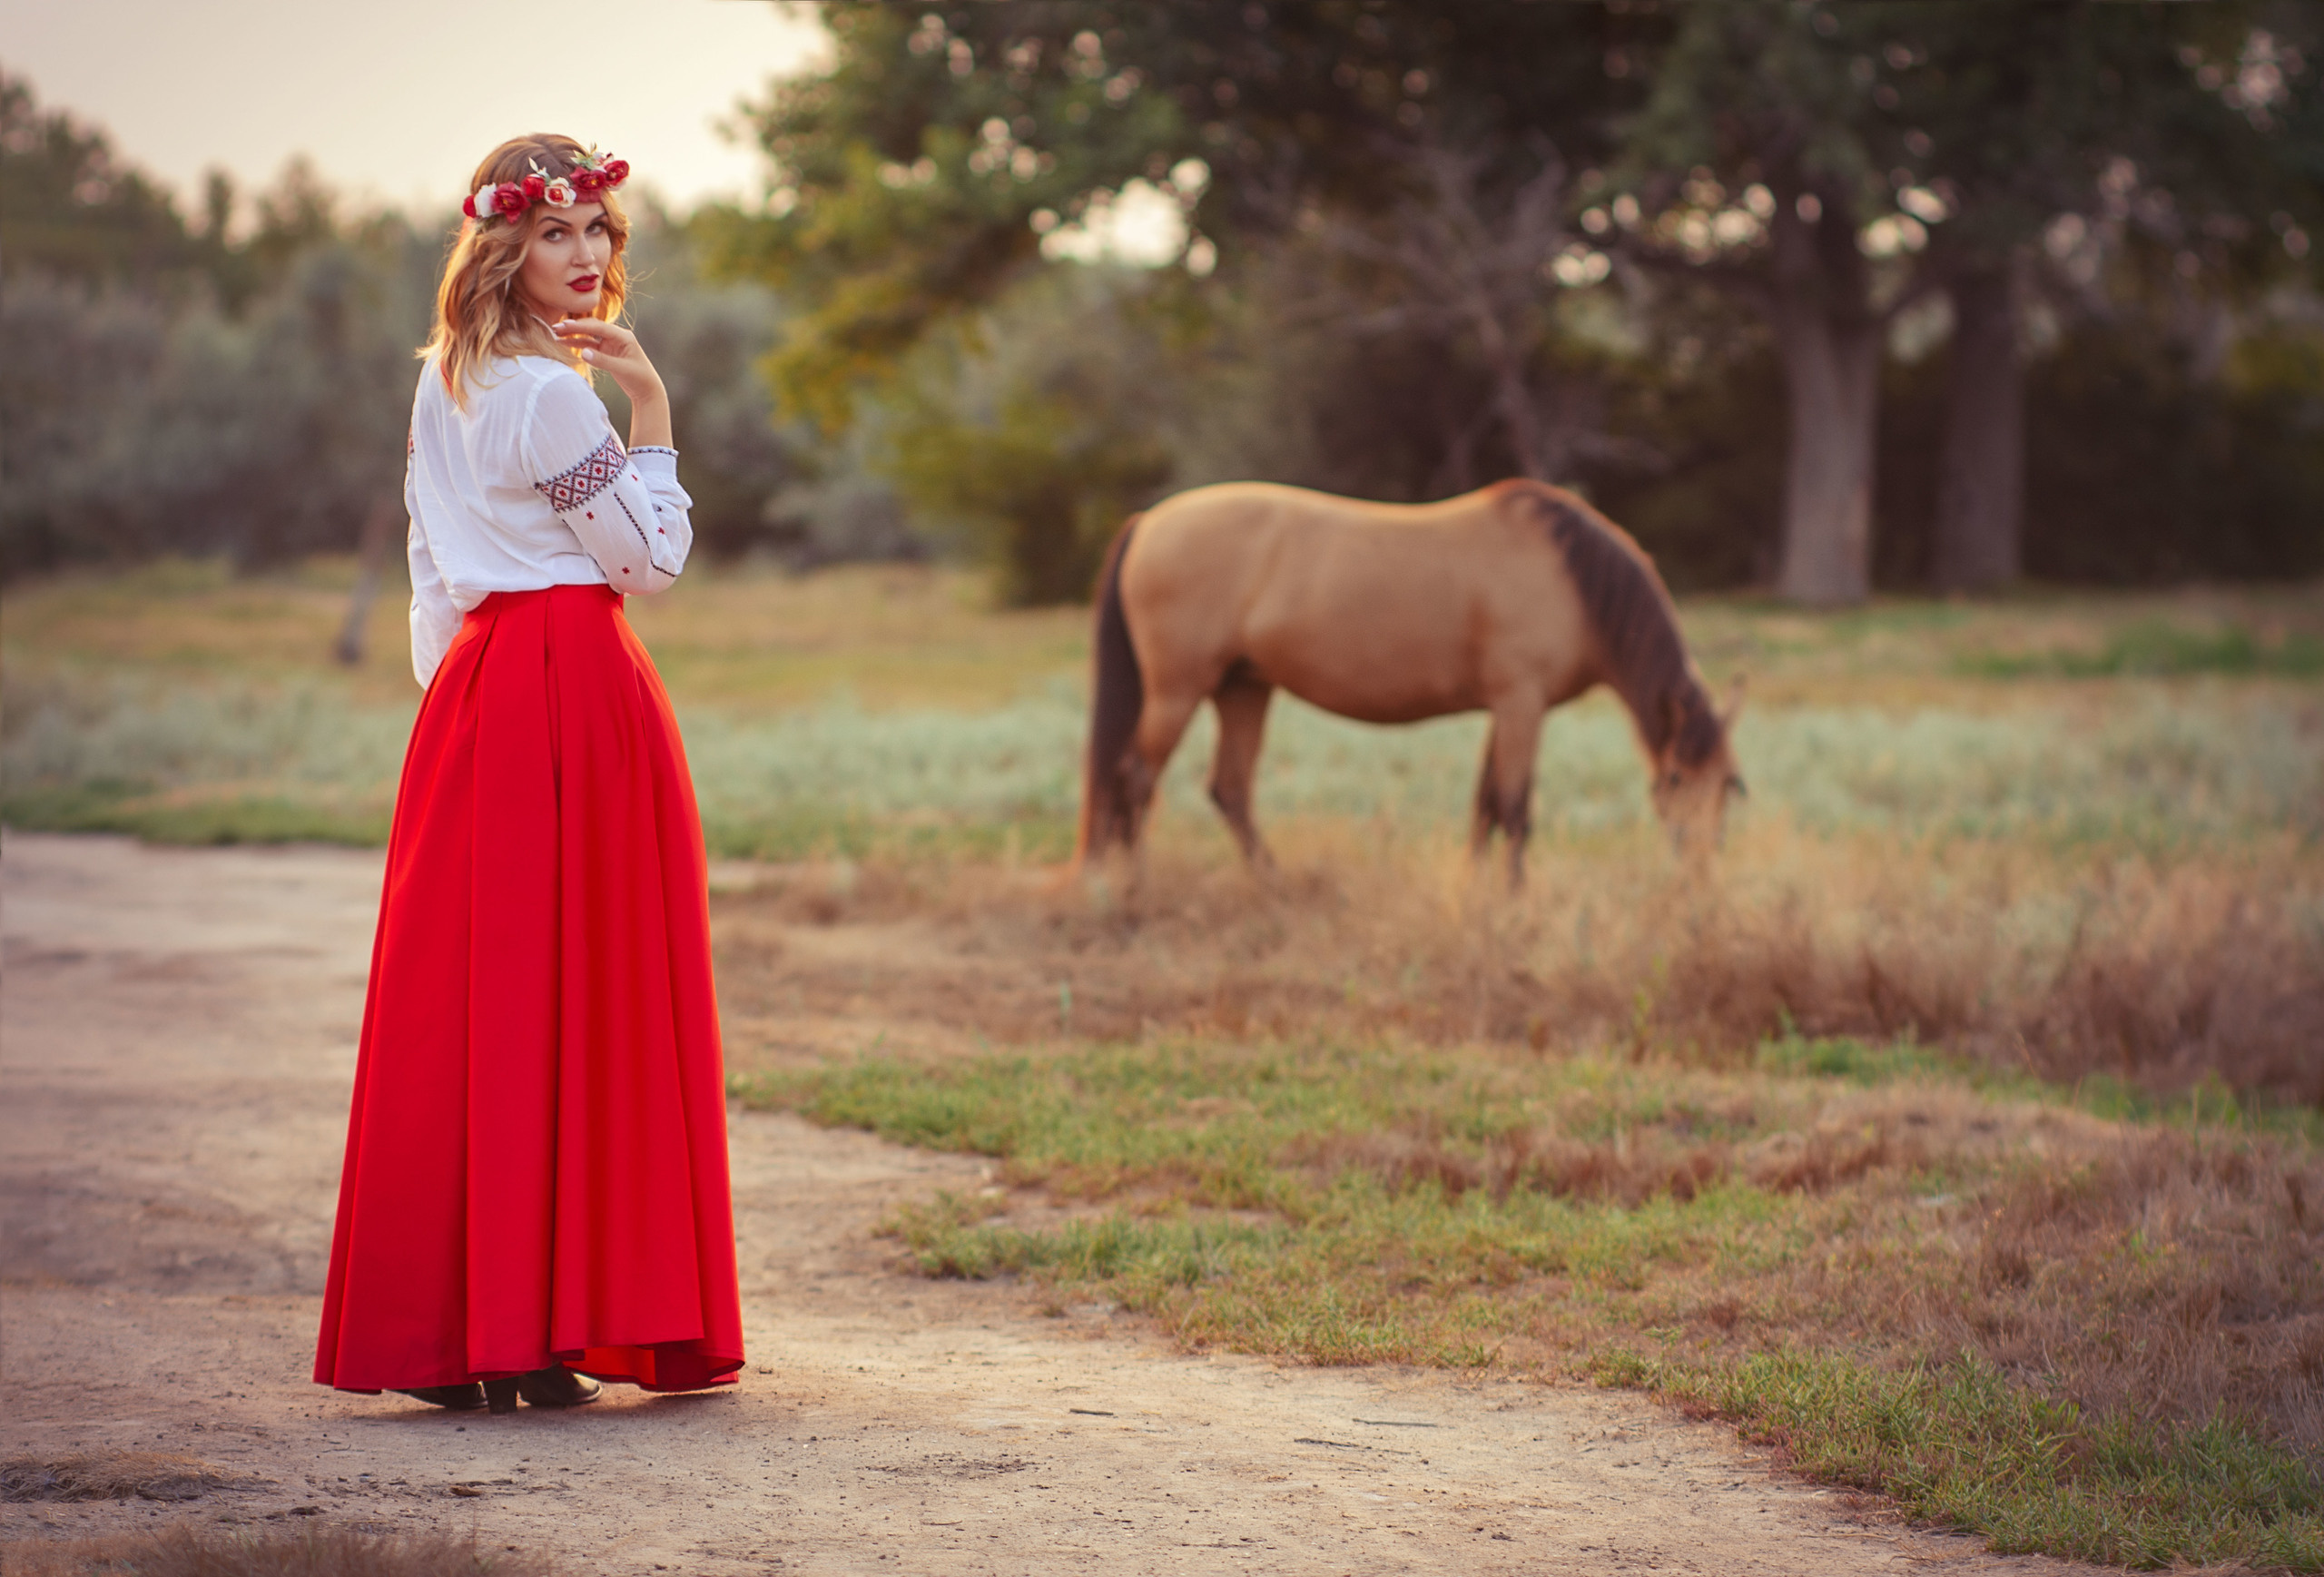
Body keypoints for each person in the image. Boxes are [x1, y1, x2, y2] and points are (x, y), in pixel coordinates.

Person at [312, 135, 744, 1415]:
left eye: (599, 230)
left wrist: (457, 697)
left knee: (481, 1003)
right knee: (591, 992)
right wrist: (654, 410)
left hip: (474, 695)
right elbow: (647, 567)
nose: (586, 254)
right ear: (503, 245)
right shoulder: (557, 397)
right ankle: (544, 1321)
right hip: (572, 686)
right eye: (556, 231)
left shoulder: (444, 379)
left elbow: (430, 567)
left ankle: (480, 1332)